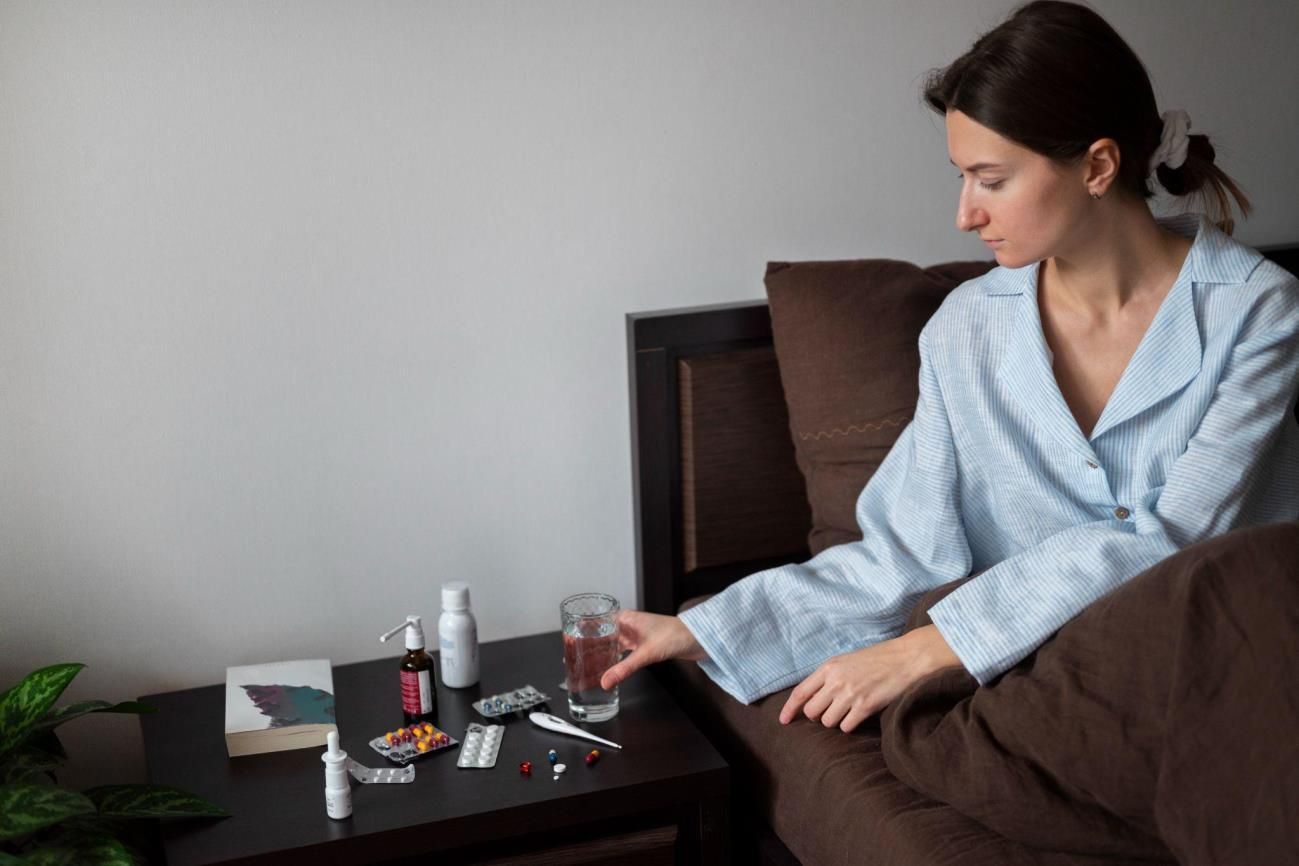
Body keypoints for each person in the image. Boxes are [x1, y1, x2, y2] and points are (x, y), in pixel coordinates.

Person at [601, 0, 1299, 733]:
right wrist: (708, 629)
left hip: (1225, 654)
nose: (964, 214)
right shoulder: (965, 329)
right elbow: (902, 550)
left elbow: (1176, 536)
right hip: (1055, 675)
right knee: (938, 735)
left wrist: (930, 650)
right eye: (959, 177)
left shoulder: (1256, 311)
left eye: (990, 180)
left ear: (1096, 165)